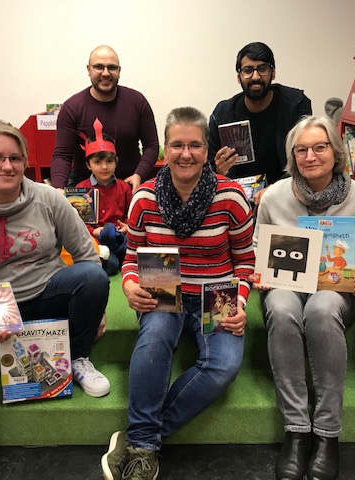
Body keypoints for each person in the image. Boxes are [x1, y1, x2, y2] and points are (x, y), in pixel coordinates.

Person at [0, 119, 111, 480]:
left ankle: (78, 357)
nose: (7, 166)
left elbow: (87, 255)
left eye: (15, 158)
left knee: (91, 277)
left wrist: (98, 309)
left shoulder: (48, 198)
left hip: (49, 293)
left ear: (25, 162)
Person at [100, 107, 255, 480]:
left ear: (207, 149)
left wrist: (242, 302)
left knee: (223, 366)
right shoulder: (145, 198)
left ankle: (141, 441)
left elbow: (246, 261)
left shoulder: (232, 197)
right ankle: (144, 444)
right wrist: (130, 284)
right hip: (162, 289)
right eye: (177, 145)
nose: (186, 154)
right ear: (163, 151)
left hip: (218, 294)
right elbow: (132, 255)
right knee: (153, 339)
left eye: (195, 145)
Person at [254, 115, 355, 480]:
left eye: (319, 147)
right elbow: (260, 244)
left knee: (322, 310)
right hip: (287, 284)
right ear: (293, 156)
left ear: (335, 152)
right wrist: (262, 272)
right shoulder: (275, 195)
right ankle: (296, 429)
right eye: (302, 149)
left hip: (335, 288)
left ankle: (326, 433)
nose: (311, 155)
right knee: (280, 307)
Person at [208, 41, 311, 203]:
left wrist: (275, 190)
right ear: (238, 76)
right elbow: (208, 170)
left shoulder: (295, 105)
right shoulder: (222, 114)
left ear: (273, 73)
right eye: (248, 70)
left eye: (262, 69)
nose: (255, 77)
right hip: (238, 197)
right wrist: (219, 170)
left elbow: (305, 159)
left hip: (286, 194)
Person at [50, 45, 159, 191]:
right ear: (89, 70)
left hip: (130, 182)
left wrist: (138, 175)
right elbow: (63, 155)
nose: (106, 73)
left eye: (112, 68)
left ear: (119, 71)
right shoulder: (72, 108)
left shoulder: (137, 102)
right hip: (85, 187)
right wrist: (58, 188)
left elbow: (152, 146)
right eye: (99, 67)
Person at [75, 117, 132, 275]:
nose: (104, 166)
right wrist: (94, 232)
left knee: (132, 253)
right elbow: (77, 223)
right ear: (88, 164)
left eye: (109, 161)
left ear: (116, 162)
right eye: (98, 162)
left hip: (121, 236)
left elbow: (131, 214)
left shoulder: (124, 187)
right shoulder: (82, 189)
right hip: (97, 239)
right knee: (111, 265)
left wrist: (127, 226)